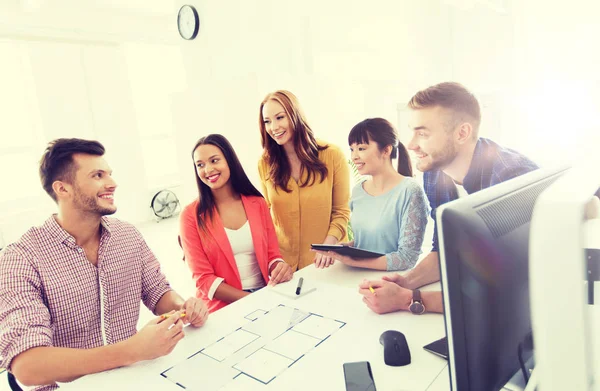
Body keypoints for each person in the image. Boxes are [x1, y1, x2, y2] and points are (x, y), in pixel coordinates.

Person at [0, 138, 209, 390]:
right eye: (98, 175)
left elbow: (157, 292)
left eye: (109, 174)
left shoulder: (127, 236)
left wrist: (183, 306)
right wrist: (132, 351)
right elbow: (27, 366)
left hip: (135, 380)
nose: (112, 183)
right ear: (62, 189)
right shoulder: (21, 257)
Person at [359, 82, 538, 315]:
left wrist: (408, 299)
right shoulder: (434, 172)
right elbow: (443, 248)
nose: (411, 145)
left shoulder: (511, 180)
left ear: (462, 133)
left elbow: (511, 290)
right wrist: (406, 282)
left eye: (422, 133)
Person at [180, 134, 294, 313]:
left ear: (229, 161)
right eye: (200, 165)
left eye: (214, 160)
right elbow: (203, 279)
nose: (208, 169)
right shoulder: (190, 215)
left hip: (266, 293)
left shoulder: (257, 203)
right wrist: (253, 300)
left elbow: (272, 254)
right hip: (222, 307)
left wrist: (279, 267)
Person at [311, 118, 429, 271]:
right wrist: (342, 249)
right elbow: (369, 241)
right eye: (352, 149)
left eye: (361, 148)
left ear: (386, 150)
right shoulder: (358, 191)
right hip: (351, 277)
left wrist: (353, 261)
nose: (354, 156)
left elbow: (407, 257)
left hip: (389, 283)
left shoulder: (410, 191)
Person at [258, 90, 351, 270]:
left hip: (328, 263)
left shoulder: (332, 155)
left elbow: (341, 212)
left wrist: (327, 247)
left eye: (279, 117)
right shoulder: (265, 164)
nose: (274, 127)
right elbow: (269, 216)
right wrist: (274, 261)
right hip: (286, 268)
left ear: (295, 115)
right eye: (267, 121)